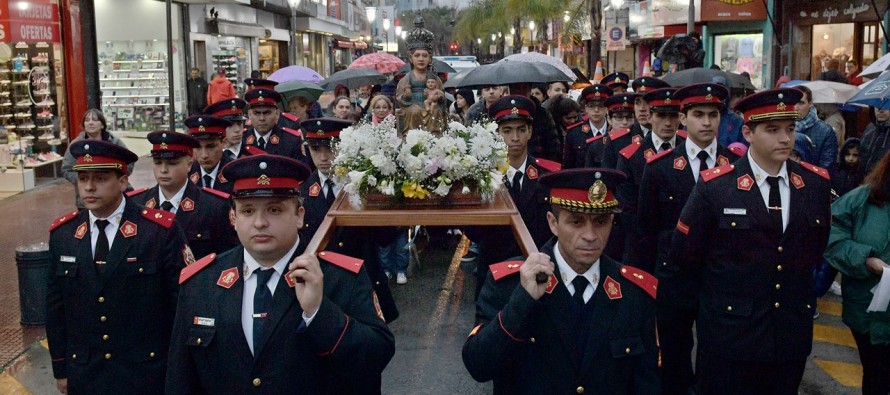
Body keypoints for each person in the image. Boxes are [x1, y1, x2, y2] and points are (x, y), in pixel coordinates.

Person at [166, 154, 395, 393]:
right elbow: (181, 377)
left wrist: (318, 312)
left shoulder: (340, 277)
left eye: (274, 210)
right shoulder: (201, 282)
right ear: (233, 218)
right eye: (247, 211)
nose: (260, 222)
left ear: (299, 216)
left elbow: (375, 358)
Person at [671, 88, 832, 394]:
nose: (785, 139)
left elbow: (814, 248)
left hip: (788, 335)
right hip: (729, 336)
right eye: (772, 130)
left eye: (790, 129)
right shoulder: (717, 187)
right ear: (748, 132)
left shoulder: (814, 185)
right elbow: (684, 255)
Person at [462, 168, 660, 394]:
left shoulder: (634, 293)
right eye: (576, 222)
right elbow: (478, 365)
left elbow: (647, 382)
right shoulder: (510, 283)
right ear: (553, 223)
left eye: (601, 222)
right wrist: (523, 301)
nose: (590, 235)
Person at [47, 140, 189, 394]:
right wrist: (61, 368)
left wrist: (179, 369)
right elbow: (56, 308)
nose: (89, 187)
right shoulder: (64, 235)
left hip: (145, 371)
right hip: (86, 372)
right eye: (83, 178)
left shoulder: (157, 232)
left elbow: (181, 305)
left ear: (123, 182)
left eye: (100, 178)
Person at [638, 83, 739, 395]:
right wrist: (643, 283)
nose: (706, 122)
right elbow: (645, 230)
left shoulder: (734, 167)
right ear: (684, 118)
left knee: (717, 353)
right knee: (674, 353)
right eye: (698, 114)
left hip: (719, 278)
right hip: (674, 277)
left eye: (713, 114)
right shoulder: (660, 167)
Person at [298, 117, 399, 322]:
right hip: (325, 289)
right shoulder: (302, 193)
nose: (324, 156)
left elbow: (386, 237)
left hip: (365, 283)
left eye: (330, 148)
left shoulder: (364, 186)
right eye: (316, 149)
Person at [467, 95, 560, 299]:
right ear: (497, 134)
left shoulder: (548, 176)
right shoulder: (484, 176)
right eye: (507, 131)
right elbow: (472, 232)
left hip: (539, 272)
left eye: (521, 129)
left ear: (530, 132)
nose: (515, 138)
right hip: (495, 273)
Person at [824, 151, 890, 395]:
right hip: (868, 308)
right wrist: (866, 259)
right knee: (877, 373)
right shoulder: (861, 199)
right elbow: (832, 236)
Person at [126, 130, 238, 259]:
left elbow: (228, 257)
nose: (163, 170)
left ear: (189, 165)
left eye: (172, 163)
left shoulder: (214, 206)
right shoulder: (137, 203)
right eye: (158, 163)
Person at [617, 87, 685, 273]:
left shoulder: (689, 152)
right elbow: (627, 209)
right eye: (661, 116)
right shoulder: (631, 156)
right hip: (643, 249)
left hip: (682, 248)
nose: (668, 123)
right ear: (650, 116)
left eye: (673, 116)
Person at [61, 109, 134, 210]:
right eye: (87, 120)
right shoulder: (76, 145)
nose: (90, 123)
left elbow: (129, 162)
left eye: (95, 120)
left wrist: (116, 179)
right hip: (88, 200)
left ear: (102, 124)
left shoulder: (114, 141)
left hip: (115, 196)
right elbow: (66, 168)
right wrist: (83, 180)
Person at [601, 77, 670, 169]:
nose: (642, 108)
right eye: (637, 103)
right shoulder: (618, 141)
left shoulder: (676, 138)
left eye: (647, 102)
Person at [396, 16, 446, 132]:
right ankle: (414, 138)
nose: (421, 59)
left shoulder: (435, 78)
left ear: (430, 58)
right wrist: (406, 97)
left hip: (431, 105)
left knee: (436, 111)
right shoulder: (407, 79)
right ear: (411, 58)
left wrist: (439, 96)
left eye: (424, 56)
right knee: (414, 111)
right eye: (417, 55)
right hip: (412, 107)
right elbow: (399, 97)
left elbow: (442, 94)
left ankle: (434, 136)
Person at [241, 88, 308, 164]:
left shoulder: (291, 141)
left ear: (277, 114)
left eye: (267, 113)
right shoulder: (240, 140)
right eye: (257, 113)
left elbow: (301, 172)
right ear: (249, 114)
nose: (262, 118)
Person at [563, 84, 612, 169]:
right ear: (586, 108)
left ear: (607, 108)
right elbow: (569, 166)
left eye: (601, 106)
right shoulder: (574, 133)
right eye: (592, 106)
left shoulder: (614, 131)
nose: (596, 110)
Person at [184, 115, 234, 194]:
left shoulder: (236, 174)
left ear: (224, 142)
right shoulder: (185, 175)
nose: (204, 155)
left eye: (211, 147)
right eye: (198, 147)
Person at [795, 85, 839, 173]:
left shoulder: (826, 132)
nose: (795, 107)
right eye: (793, 103)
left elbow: (826, 170)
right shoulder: (781, 128)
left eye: (800, 103)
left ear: (810, 103)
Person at [585, 93, 635, 168]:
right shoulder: (597, 146)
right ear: (609, 119)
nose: (625, 122)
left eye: (629, 117)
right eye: (619, 117)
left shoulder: (638, 143)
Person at [860, 107, 890, 175]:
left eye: (886, 106)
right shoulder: (870, 128)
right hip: (864, 179)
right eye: (877, 106)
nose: (881, 110)